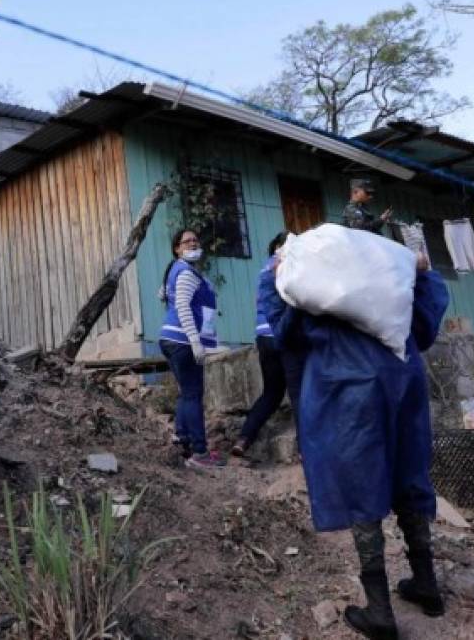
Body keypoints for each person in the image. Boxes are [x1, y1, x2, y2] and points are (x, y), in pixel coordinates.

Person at [261, 251, 449, 640]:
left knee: (364, 486)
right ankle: (427, 584)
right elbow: (427, 327)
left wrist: (274, 281)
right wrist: (425, 274)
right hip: (403, 376)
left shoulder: (315, 291)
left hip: (348, 384)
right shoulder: (389, 282)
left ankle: (380, 610)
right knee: (409, 472)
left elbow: (282, 334)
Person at [231, 231, 305, 457]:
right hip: (282, 335)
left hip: (263, 337)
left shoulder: (264, 267)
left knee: (272, 392)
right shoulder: (285, 265)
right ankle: (305, 449)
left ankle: (244, 439)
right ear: (282, 246)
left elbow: (258, 301)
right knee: (298, 393)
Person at [158, 229, 224, 469]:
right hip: (183, 341)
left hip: (172, 339)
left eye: (195, 239)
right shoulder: (185, 272)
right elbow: (183, 307)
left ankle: (182, 440)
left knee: (186, 393)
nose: (193, 243)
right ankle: (200, 452)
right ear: (177, 248)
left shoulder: (180, 270)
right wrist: (195, 341)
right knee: (194, 394)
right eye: (187, 241)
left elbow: (168, 295)